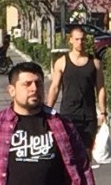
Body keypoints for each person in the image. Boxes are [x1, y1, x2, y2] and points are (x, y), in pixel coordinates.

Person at [46, 26, 107, 158]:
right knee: (69, 153)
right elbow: (55, 87)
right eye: (77, 39)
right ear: (71, 40)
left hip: (88, 115)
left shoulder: (95, 63)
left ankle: (85, 178)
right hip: (69, 114)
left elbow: (100, 88)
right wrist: (47, 110)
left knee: (86, 153)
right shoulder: (61, 62)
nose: (80, 42)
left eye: (83, 39)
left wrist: (103, 112)